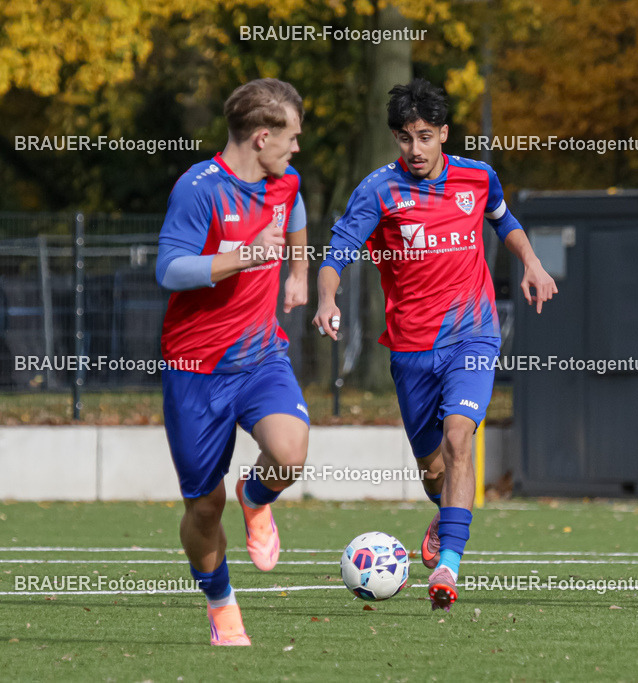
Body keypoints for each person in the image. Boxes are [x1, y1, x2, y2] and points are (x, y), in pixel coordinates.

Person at [313, 78, 556, 611]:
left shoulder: (477, 177)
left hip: (473, 334)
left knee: (459, 438)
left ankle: (449, 566)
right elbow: (339, 252)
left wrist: (532, 263)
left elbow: (503, 220)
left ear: (444, 133)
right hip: (410, 349)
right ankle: (442, 511)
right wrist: (326, 299)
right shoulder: (378, 190)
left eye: (425, 136)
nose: (415, 149)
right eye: (404, 138)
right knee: (434, 469)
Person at [156, 78, 311, 645]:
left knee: (289, 454)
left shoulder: (284, 180)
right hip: (195, 368)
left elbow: (294, 210)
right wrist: (247, 256)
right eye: (291, 138)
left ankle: (258, 496)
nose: (297, 150)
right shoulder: (198, 190)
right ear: (262, 135)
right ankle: (221, 603)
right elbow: (169, 270)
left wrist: (296, 275)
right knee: (203, 508)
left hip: (260, 355)